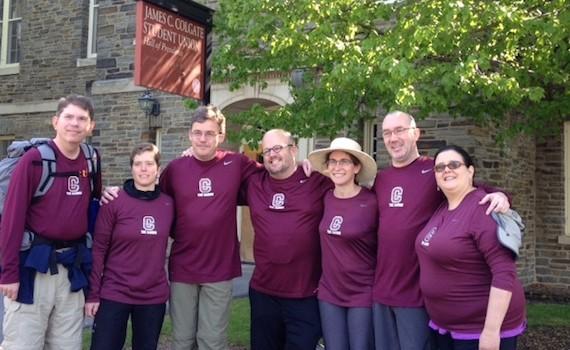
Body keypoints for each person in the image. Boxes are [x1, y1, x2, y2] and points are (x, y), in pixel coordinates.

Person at [102, 105, 261, 350]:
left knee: (211, 341)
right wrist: (116, 192)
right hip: (183, 268)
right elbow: (150, 198)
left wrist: (302, 166)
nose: (203, 138)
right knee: (182, 341)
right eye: (197, 132)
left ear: (221, 136)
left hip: (220, 268)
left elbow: (273, 175)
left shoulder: (236, 163)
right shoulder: (176, 169)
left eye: (210, 133)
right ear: (189, 134)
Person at [372, 111, 511, 350]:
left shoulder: (435, 171)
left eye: (399, 130)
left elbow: (474, 191)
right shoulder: (380, 179)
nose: (393, 138)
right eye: (386, 133)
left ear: (416, 134)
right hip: (381, 290)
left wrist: (500, 195)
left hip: (415, 294)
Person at [0, 95, 101, 349]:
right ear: (55, 121)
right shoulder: (34, 160)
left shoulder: (92, 160)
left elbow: (92, 209)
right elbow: (11, 220)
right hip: (32, 270)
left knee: (67, 344)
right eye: (68, 117)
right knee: (23, 343)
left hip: (72, 269)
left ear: (91, 126)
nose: (74, 124)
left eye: (82, 119)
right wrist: (8, 273)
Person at [415, 144, 526, 350]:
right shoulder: (442, 207)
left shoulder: (484, 210)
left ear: (470, 171)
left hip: (478, 329)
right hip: (444, 325)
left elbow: (504, 272)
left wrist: (491, 331)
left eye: (454, 164)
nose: (446, 170)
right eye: (440, 167)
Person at [242, 129, 332, 350]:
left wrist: (306, 163)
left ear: (293, 149)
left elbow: (353, 191)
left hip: (305, 294)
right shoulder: (254, 183)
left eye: (277, 148)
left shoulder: (317, 182)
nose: (272, 154)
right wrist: (192, 152)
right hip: (264, 293)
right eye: (267, 151)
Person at [86, 143, 174, 350]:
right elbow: (98, 248)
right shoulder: (114, 201)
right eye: (138, 164)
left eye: (149, 164)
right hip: (115, 291)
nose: (143, 169)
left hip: (152, 295)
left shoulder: (169, 204)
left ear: (158, 169)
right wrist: (93, 294)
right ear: (131, 168)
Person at [308, 137, 378, 350]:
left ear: (356, 167)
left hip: (362, 292)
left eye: (344, 161)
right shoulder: (325, 197)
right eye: (333, 162)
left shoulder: (372, 202)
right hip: (329, 292)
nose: (337, 167)